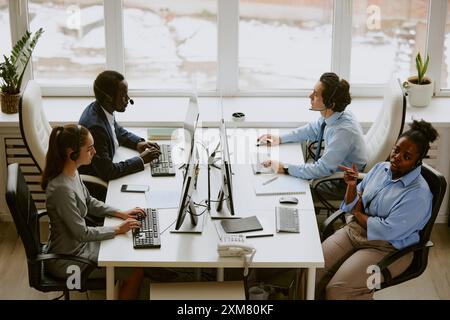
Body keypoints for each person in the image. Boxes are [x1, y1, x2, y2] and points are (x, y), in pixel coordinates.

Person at [315, 120, 438, 300]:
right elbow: (353, 202)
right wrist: (351, 186)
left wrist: (358, 212)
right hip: (355, 231)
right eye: (396, 150)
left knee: (338, 289)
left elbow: (386, 230)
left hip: (388, 248)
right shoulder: (381, 168)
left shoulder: (418, 195)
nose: (396, 157)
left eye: (406, 156)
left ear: (416, 162)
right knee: (312, 271)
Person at [41, 124, 146, 299]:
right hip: (69, 261)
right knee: (135, 269)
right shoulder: (61, 189)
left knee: (127, 249)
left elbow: (89, 202)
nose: (95, 152)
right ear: (72, 153)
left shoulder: (72, 173)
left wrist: (121, 213)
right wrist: (118, 229)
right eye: (89, 149)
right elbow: (81, 233)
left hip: (79, 248)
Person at [258, 72, 367, 201]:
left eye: (315, 95)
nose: (310, 96)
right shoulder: (335, 115)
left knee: (290, 190)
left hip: (342, 183)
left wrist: (285, 167)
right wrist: (280, 138)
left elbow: (322, 169)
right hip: (331, 169)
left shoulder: (344, 132)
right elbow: (312, 129)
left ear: (330, 104)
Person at [79, 70, 161, 184]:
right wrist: (141, 160)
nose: (128, 99)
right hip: (99, 186)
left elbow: (116, 130)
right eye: (123, 95)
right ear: (108, 98)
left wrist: (138, 143)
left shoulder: (101, 108)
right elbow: (108, 171)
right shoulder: (96, 129)